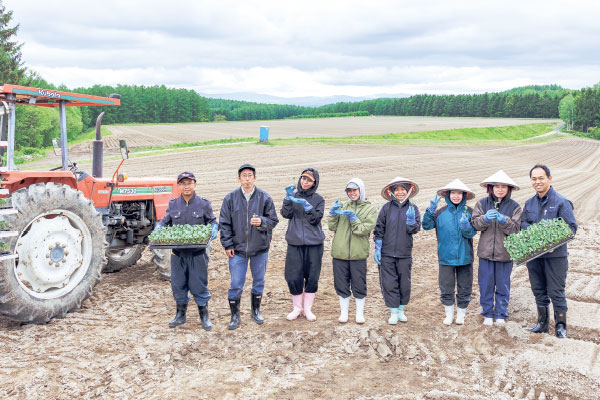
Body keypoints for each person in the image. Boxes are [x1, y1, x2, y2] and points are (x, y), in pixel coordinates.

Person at [156, 172, 219, 330]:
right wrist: (159, 228)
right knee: (178, 285)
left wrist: (214, 228)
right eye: (183, 183)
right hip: (178, 254)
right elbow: (165, 222)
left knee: (199, 285)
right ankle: (180, 316)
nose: (186, 186)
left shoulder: (203, 204)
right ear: (178, 186)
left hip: (197, 254)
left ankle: (204, 316)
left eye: (189, 183)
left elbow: (212, 221)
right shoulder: (173, 204)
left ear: (195, 184)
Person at [219, 164, 279, 330]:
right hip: (237, 250)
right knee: (236, 283)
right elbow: (224, 223)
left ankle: (255, 311)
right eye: (243, 175)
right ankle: (235, 316)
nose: (247, 178)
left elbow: (273, 220)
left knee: (258, 281)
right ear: (239, 178)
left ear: (254, 178)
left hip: (259, 248)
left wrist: (262, 222)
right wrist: (228, 244)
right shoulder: (230, 198)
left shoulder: (264, 197)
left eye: (249, 175)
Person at [521, 164, 577, 338]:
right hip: (534, 255)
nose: (537, 182)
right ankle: (542, 324)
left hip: (555, 256)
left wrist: (554, 242)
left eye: (541, 178)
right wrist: (532, 232)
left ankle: (561, 327)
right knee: (538, 289)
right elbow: (523, 223)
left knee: (556, 291)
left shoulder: (561, 202)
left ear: (549, 179)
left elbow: (571, 228)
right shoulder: (529, 203)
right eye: (534, 179)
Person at [422, 179, 477, 326]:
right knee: (446, 287)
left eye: (460, 193)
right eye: (453, 193)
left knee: (465, 288)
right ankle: (448, 314)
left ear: (464, 195)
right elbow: (426, 225)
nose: (456, 196)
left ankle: (461, 315)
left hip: (465, 257)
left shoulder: (470, 212)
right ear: (448, 195)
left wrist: (466, 227)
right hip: (446, 257)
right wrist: (430, 211)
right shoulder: (440, 213)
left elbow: (472, 233)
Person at [472, 170, 522, 326]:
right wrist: (485, 219)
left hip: (505, 254)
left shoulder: (515, 207)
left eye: (503, 186)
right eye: (496, 186)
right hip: (485, 253)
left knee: (503, 284)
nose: (500, 189)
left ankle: (500, 313)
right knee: (486, 284)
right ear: (490, 188)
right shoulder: (482, 204)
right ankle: (487, 312)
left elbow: (515, 229)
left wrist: (503, 220)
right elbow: (475, 224)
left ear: (509, 189)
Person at [328, 178, 377, 324]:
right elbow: (332, 227)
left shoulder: (370, 209)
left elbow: (363, 230)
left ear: (361, 190)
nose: (352, 193)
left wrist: (354, 219)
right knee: (341, 284)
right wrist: (333, 214)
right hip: (340, 252)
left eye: (355, 190)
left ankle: (359, 313)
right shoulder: (343, 206)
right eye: (349, 191)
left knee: (359, 284)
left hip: (358, 254)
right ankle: (344, 313)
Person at [373, 177, 421, 325]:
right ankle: (393, 311)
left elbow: (415, 229)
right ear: (392, 192)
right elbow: (379, 228)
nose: (400, 192)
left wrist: (412, 222)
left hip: (404, 253)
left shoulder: (413, 208)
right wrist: (378, 246)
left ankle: (401, 309)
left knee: (404, 282)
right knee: (389, 282)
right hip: (387, 253)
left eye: (403, 189)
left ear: (408, 191)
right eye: (397, 190)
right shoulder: (386, 208)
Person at [281, 168, 325, 321]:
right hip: (295, 241)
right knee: (293, 276)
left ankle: (307, 309)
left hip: (314, 243)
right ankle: (297, 308)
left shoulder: (319, 199)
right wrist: (287, 198)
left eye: (309, 180)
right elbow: (286, 214)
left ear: (314, 183)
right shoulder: (293, 196)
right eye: (303, 178)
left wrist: (307, 207)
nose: (305, 182)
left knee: (312, 276)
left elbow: (315, 219)